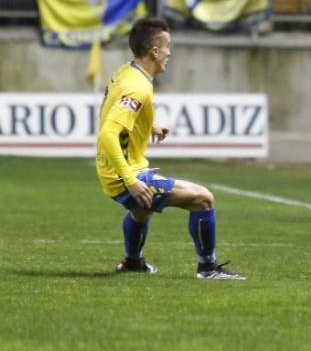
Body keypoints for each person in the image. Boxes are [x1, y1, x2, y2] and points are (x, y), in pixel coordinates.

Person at [96, 17, 245, 280]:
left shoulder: (126, 72)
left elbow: (113, 111)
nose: (169, 53)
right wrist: (130, 180)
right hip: (124, 175)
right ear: (154, 51)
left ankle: (133, 262)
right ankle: (208, 268)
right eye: (168, 47)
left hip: (114, 170)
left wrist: (148, 124)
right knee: (203, 198)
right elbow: (108, 133)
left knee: (142, 212)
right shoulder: (137, 86)